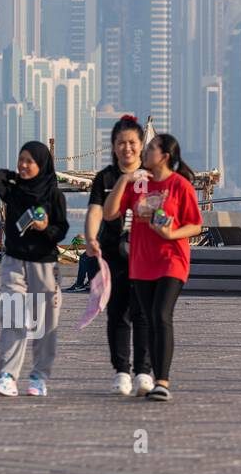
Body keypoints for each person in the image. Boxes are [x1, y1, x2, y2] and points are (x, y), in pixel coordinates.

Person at [102, 133, 203, 400]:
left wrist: (172, 233)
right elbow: (110, 213)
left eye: (149, 149)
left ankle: (162, 381)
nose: (144, 153)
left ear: (164, 156)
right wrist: (124, 180)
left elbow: (196, 224)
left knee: (160, 315)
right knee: (149, 318)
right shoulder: (139, 184)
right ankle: (151, 378)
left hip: (172, 260)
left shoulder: (180, 185)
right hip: (141, 262)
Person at [0, 141, 68, 398]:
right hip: (14, 262)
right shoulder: (14, 191)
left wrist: (45, 229)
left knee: (46, 324)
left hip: (44, 264)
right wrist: (13, 175)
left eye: (29, 161)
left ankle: (39, 377)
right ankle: (7, 376)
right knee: (13, 317)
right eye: (21, 159)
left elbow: (61, 229)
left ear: (42, 165)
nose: (23, 165)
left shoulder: (54, 195)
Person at [86, 115, 153, 396]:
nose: (127, 148)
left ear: (141, 145)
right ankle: (122, 372)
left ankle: (144, 373)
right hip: (114, 254)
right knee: (117, 313)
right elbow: (96, 211)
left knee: (144, 314)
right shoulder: (105, 178)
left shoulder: (152, 176)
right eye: (121, 143)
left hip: (148, 254)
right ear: (113, 147)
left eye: (132, 143)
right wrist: (90, 238)